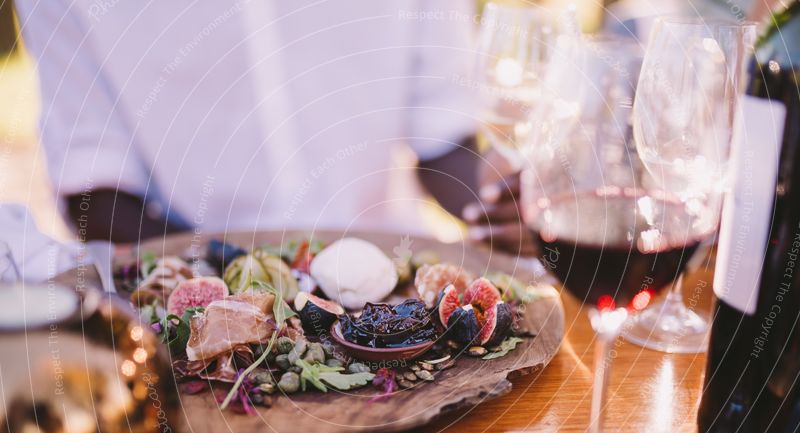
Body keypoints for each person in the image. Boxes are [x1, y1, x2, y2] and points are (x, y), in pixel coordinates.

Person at [16, 0, 527, 252]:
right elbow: (92, 190)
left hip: (396, 280)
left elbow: (442, 131)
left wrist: (495, 207)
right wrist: (227, 275)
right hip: (189, 296)